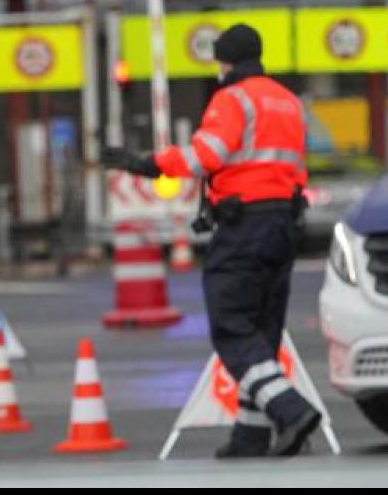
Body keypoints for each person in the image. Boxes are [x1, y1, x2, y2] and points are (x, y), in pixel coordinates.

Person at [101, 23, 320, 458]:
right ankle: (250, 436)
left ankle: (290, 409)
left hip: (245, 226)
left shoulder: (232, 98)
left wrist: (145, 163)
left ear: (225, 60)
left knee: (232, 325)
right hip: (283, 223)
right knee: (262, 333)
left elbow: (206, 156)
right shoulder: (287, 101)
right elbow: (295, 169)